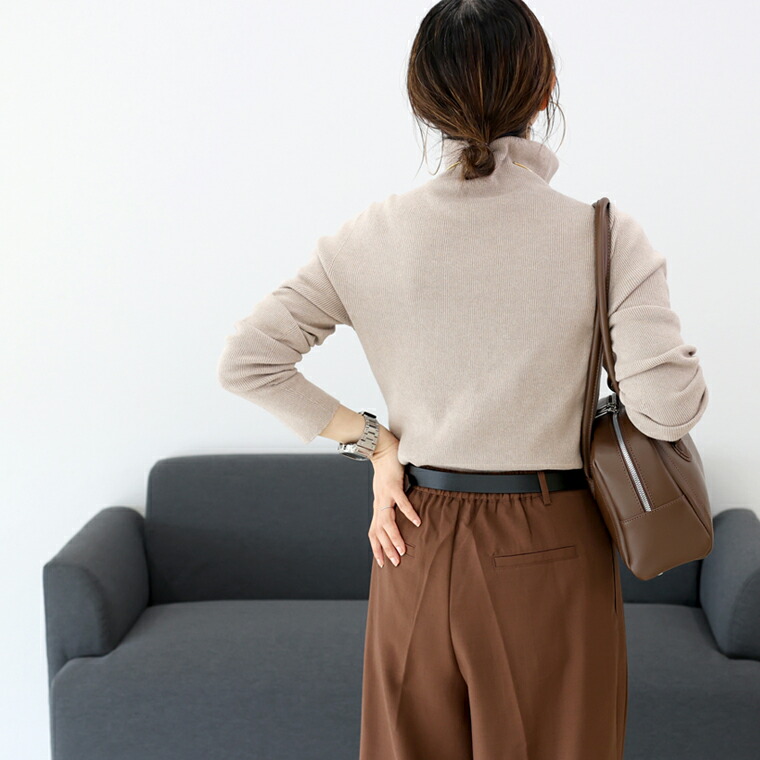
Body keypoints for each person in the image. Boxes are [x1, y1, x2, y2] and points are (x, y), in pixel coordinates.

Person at [216, 1, 709, 758]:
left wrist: (378, 445)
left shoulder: (368, 236)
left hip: (412, 540)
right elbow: (666, 412)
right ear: (544, 90)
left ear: (423, 100)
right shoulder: (603, 235)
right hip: (550, 541)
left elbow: (248, 362)